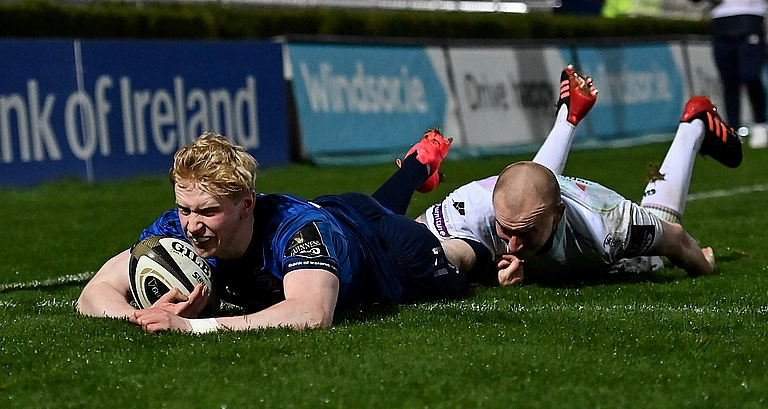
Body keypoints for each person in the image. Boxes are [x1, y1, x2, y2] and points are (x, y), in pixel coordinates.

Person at [76, 128, 461, 333]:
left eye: (208, 211)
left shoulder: (296, 230)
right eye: (184, 208)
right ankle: (419, 162)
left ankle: (421, 165)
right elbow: (94, 294)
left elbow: (311, 314)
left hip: (386, 252)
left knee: (468, 260)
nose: (191, 226)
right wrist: (141, 316)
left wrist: (191, 326)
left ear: (247, 205)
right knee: (383, 206)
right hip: (340, 218)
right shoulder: (175, 229)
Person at [407, 66, 743, 286]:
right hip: (533, 194)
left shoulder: (609, 227)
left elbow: (677, 239)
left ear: (558, 215)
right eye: (505, 230)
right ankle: (569, 114)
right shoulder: (473, 205)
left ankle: (695, 124)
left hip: (592, 205)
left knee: (652, 258)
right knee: (533, 187)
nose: (513, 244)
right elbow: (412, 239)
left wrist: (706, 266)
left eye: (525, 233)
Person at [692, 0, 768, 148]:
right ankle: (733, 129)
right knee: (729, 80)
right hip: (721, 20)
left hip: (750, 17)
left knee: (751, 75)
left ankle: (760, 124)